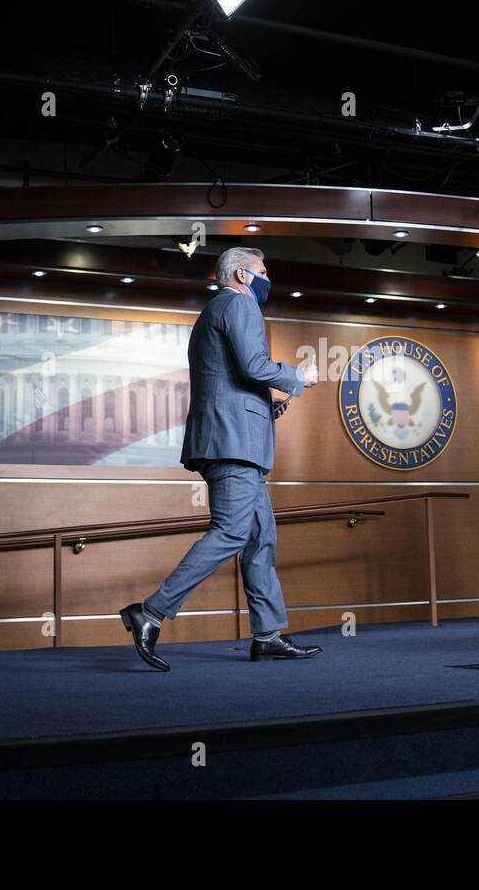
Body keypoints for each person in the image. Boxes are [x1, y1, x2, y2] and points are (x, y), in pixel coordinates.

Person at [118, 247, 321, 671]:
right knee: (231, 532)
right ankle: (150, 613)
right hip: (233, 446)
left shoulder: (218, 311)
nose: (268, 279)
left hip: (233, 439)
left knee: (259, 536)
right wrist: (298, 376)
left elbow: (228, 380)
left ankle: (267, 636)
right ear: (243, 276)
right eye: (263, 272)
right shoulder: (237, 304)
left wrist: (270, 407)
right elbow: (254, 364)